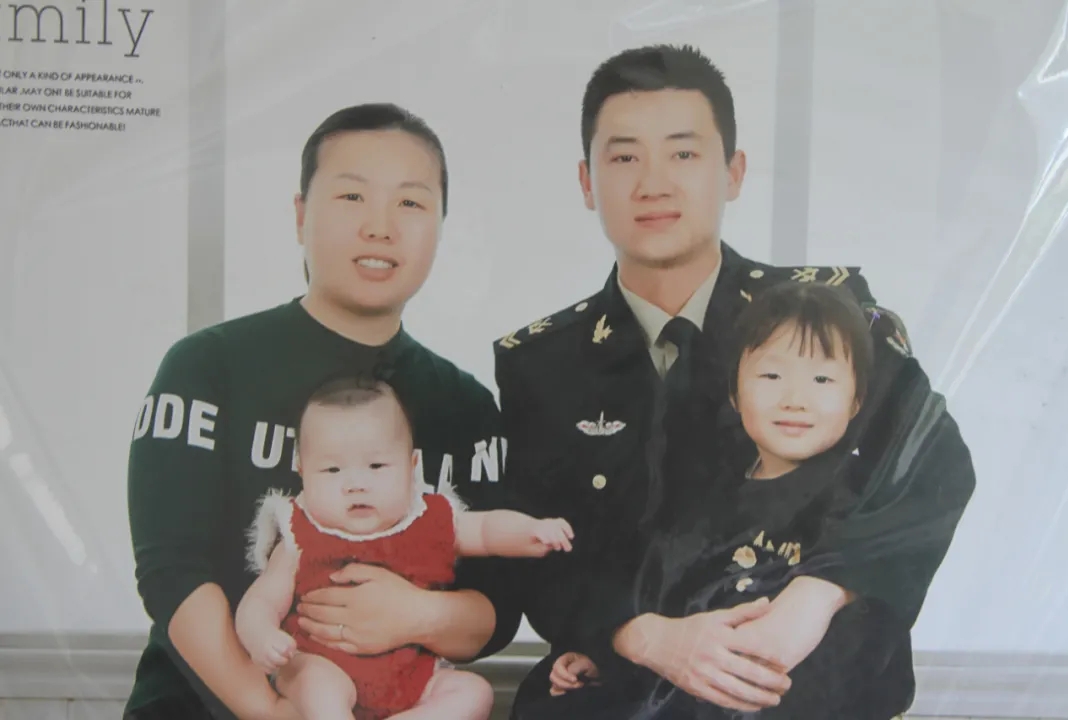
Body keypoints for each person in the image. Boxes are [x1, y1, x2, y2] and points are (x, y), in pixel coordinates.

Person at [493, 44, 975, 719]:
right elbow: (541, 558)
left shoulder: (821, 315)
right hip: (622, 686)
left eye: (684, 153)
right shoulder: (544, 364)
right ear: (586, 181)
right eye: (625, 158)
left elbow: (928, 460)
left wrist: (816, 596)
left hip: (800, 686)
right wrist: (647, 637)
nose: (654, 184)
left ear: (734, 172)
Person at [124, 103, 520, 720]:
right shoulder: (207, 367)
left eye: (411, 203)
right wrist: (269, 710)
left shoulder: (465, 406)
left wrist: (420, 614)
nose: (381, 227)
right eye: (352, 197)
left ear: (441, 226)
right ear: (300, 215)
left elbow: (497, 610)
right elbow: (172, 571)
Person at [547, 281, 916, 719]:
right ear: (734, 393)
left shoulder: (864, 500)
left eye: (822, 379)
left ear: (857, 400)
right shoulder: (703, 498)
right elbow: (669, 606)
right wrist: (615, 663)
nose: (795, 400)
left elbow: (868, 638)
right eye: (771, 376)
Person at [236, 373, 573, 720]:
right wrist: (262, 636)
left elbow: (486, 530)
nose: (356, 484)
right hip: (322, 662)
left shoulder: (429, 518)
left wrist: (530, 531)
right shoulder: (299, 534)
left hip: (410, 676)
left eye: (377, 466)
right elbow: (261, 601)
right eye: (333, 469)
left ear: (412, 467)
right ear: (302, 471)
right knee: (318, 686)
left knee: (473, 692)